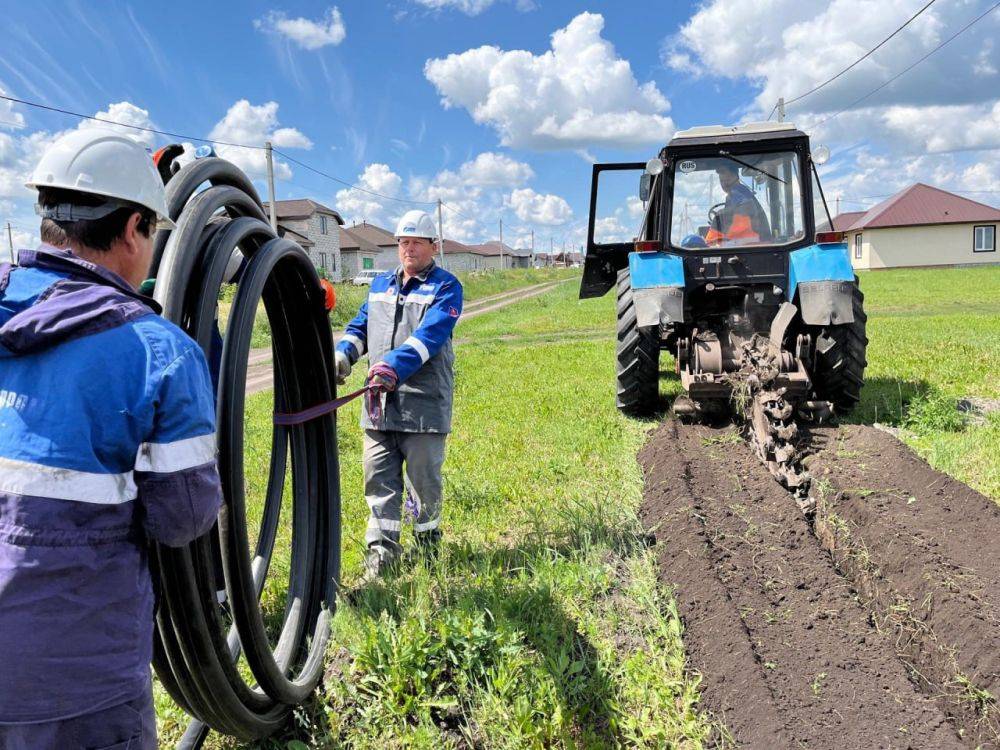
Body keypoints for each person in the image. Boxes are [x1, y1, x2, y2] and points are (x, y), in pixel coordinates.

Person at [0, 128, 223, 749]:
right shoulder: (159, 354)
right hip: (70, 674)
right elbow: (182, 518)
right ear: (132, 229)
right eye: (153, 230)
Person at [334, 209, 463, 581]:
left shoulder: (445, 287)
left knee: (424, 484)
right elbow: (360, 325)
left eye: (416, 243)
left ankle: (427, 548)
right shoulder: (380, 286)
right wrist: (344, 354)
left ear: (432, 246)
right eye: (403, 242)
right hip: (378, 407)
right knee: (378, 480)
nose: (408, 249)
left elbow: (432, 334)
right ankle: (381, 558)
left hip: (422, 405)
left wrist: (392, 366)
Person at [705, 161, 771, 246]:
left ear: (736, 177)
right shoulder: (738, 193)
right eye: (722, 181)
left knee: (710, 245)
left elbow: (743, 212)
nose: (725, 183)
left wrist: (720, 215)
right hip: (749, 241)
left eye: (727, 179)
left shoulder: (738, 192)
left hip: (751, 242)